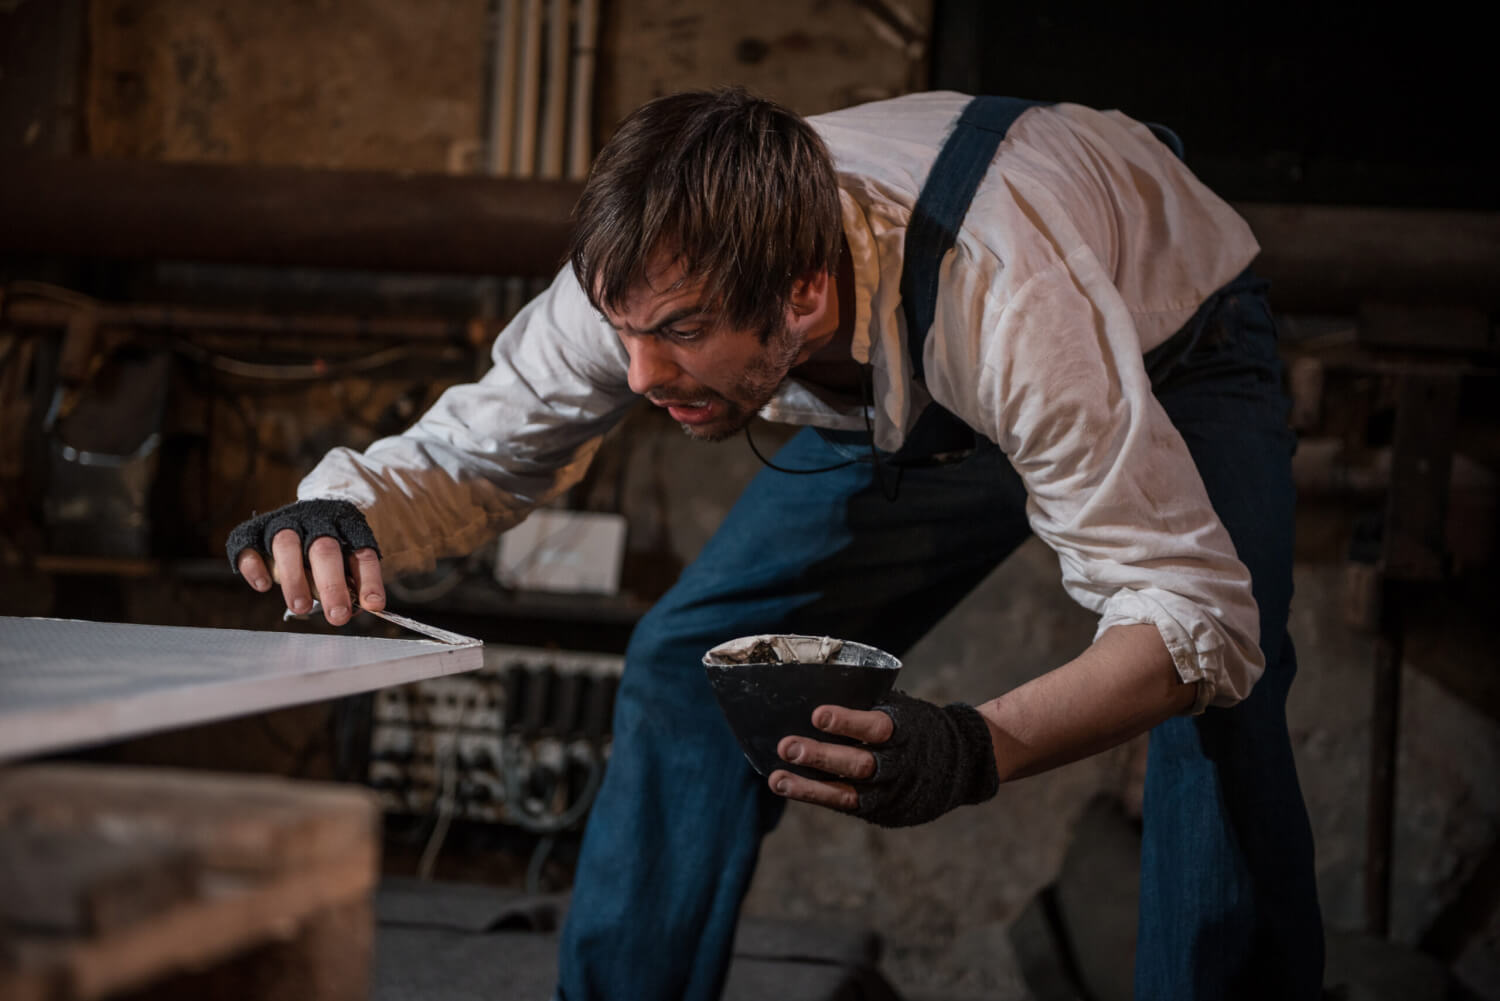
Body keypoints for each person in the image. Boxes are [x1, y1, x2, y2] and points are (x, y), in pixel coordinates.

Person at [228, 88, 1324, 999]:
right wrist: (344, 509)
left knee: (1217, 701)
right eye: (627, 336)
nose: (643, 379)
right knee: (690, 661)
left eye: (685, 335)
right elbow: (479, 449)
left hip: (1165, 337)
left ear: (801, 294)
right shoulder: (652, 268)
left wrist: (973, 745)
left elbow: (1190, 619)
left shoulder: (1009, 303)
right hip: (890, 377)